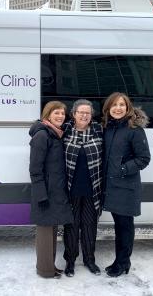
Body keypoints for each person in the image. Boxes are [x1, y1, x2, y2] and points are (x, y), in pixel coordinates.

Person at [102, 92, 151, 277]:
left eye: (122, 104)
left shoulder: (134, 130)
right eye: (114, 105)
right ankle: (119, 261)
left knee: (124, 226)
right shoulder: (107, 128)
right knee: (119, 225)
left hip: (126, 186)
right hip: (112, 187)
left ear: (128, 107)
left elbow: (144, 158)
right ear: (108, 108)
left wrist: (121, 170)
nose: (118, 108)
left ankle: (123, 263)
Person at [29, 101, 73, 279]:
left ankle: (50, 267)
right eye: (56, 113)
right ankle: (45, 270)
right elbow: (35, 169)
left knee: (52, 230)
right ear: (47, 115)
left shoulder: (55, 134)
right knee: (45, 233)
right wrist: (41, 194)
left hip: (55, 191)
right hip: (45, 192)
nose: (60, 116)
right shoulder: (42, 135)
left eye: (62, 113)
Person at [62, 99, 103, 277]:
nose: (85, 115)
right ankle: (70, 262)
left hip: (93, 189)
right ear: (74, 114)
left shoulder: (99, 131)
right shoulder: (64, 131)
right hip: (70, 189)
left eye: (88, 112)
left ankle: (89, 260)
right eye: (81, 112)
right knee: (71, 227)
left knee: (89, 227)